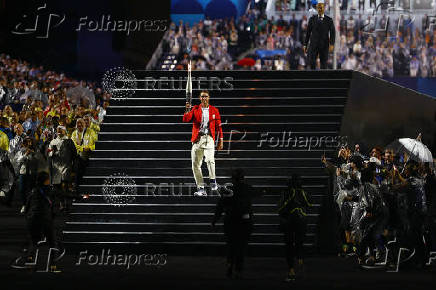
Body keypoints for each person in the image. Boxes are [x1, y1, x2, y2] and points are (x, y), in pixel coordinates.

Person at [211, 169, 255, 279]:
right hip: (244, 222)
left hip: (230, 221)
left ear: (233, 179)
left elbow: (220, 206)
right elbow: (258, 194)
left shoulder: (227, 190)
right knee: (241, 246)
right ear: (243, 178)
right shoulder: (248, 188)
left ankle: (230, 264)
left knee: (231, 245)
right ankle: (238, 270)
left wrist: (215, 219)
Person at [183, 90, 223, 196]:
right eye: (202, 96)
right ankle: (201, 188)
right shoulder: (195, 108)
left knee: (210, 160)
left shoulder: (214, 110)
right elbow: (186, 120)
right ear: (200, 98)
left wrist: (221, 140)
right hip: (197, 139)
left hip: (209, 139)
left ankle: (213, 181)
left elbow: (219, 126)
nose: (204, 98)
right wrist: (187, 109)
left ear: (209, 97)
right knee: (195, 164)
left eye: (206, 96)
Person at [278, 174, 312, 281]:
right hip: (301, 219)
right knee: (299, 243)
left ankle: (291, 270)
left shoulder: (287, 192)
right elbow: (309, 204)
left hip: (289, 220)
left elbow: (280, 207)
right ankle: (300, 262)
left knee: (289, 245)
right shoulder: (303, 192)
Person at [25, 171, 60, 272]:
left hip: (32, 218)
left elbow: (27, 206)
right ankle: (53, 265)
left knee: (34, 241)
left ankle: (30, 260)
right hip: (45, 219)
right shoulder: (51, 190)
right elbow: (64, 194)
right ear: (46, 181)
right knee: (52, 242)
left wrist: (28, 217)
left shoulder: (33, 191)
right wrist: (81, 196)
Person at [48, 126, 77, 211]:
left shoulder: (69, 141)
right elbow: (49, 154)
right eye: (58, 130)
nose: (59, 131)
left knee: (66, 186)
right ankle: (61, 203)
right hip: (56, 167)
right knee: (58, 187)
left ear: (65, 131)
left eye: (61, 130)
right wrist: (52, 151)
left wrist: (73, 167)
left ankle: (66, 203)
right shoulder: (53, 142)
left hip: (66, 166)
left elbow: (74, 155)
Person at [303, 0, 336, 69]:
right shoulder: (312, 19)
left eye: (322, 7)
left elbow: (333, 32)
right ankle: (312, 78)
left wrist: (332, 44)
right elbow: (308, 33)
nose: (320, 9)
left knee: (324, 64)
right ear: (317, 8)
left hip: (324, 44)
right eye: (319, 7)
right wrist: (305, 44)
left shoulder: (329, 20)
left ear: (324, 8)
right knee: (312, 63)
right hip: (313, 44)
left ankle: (323, 79)